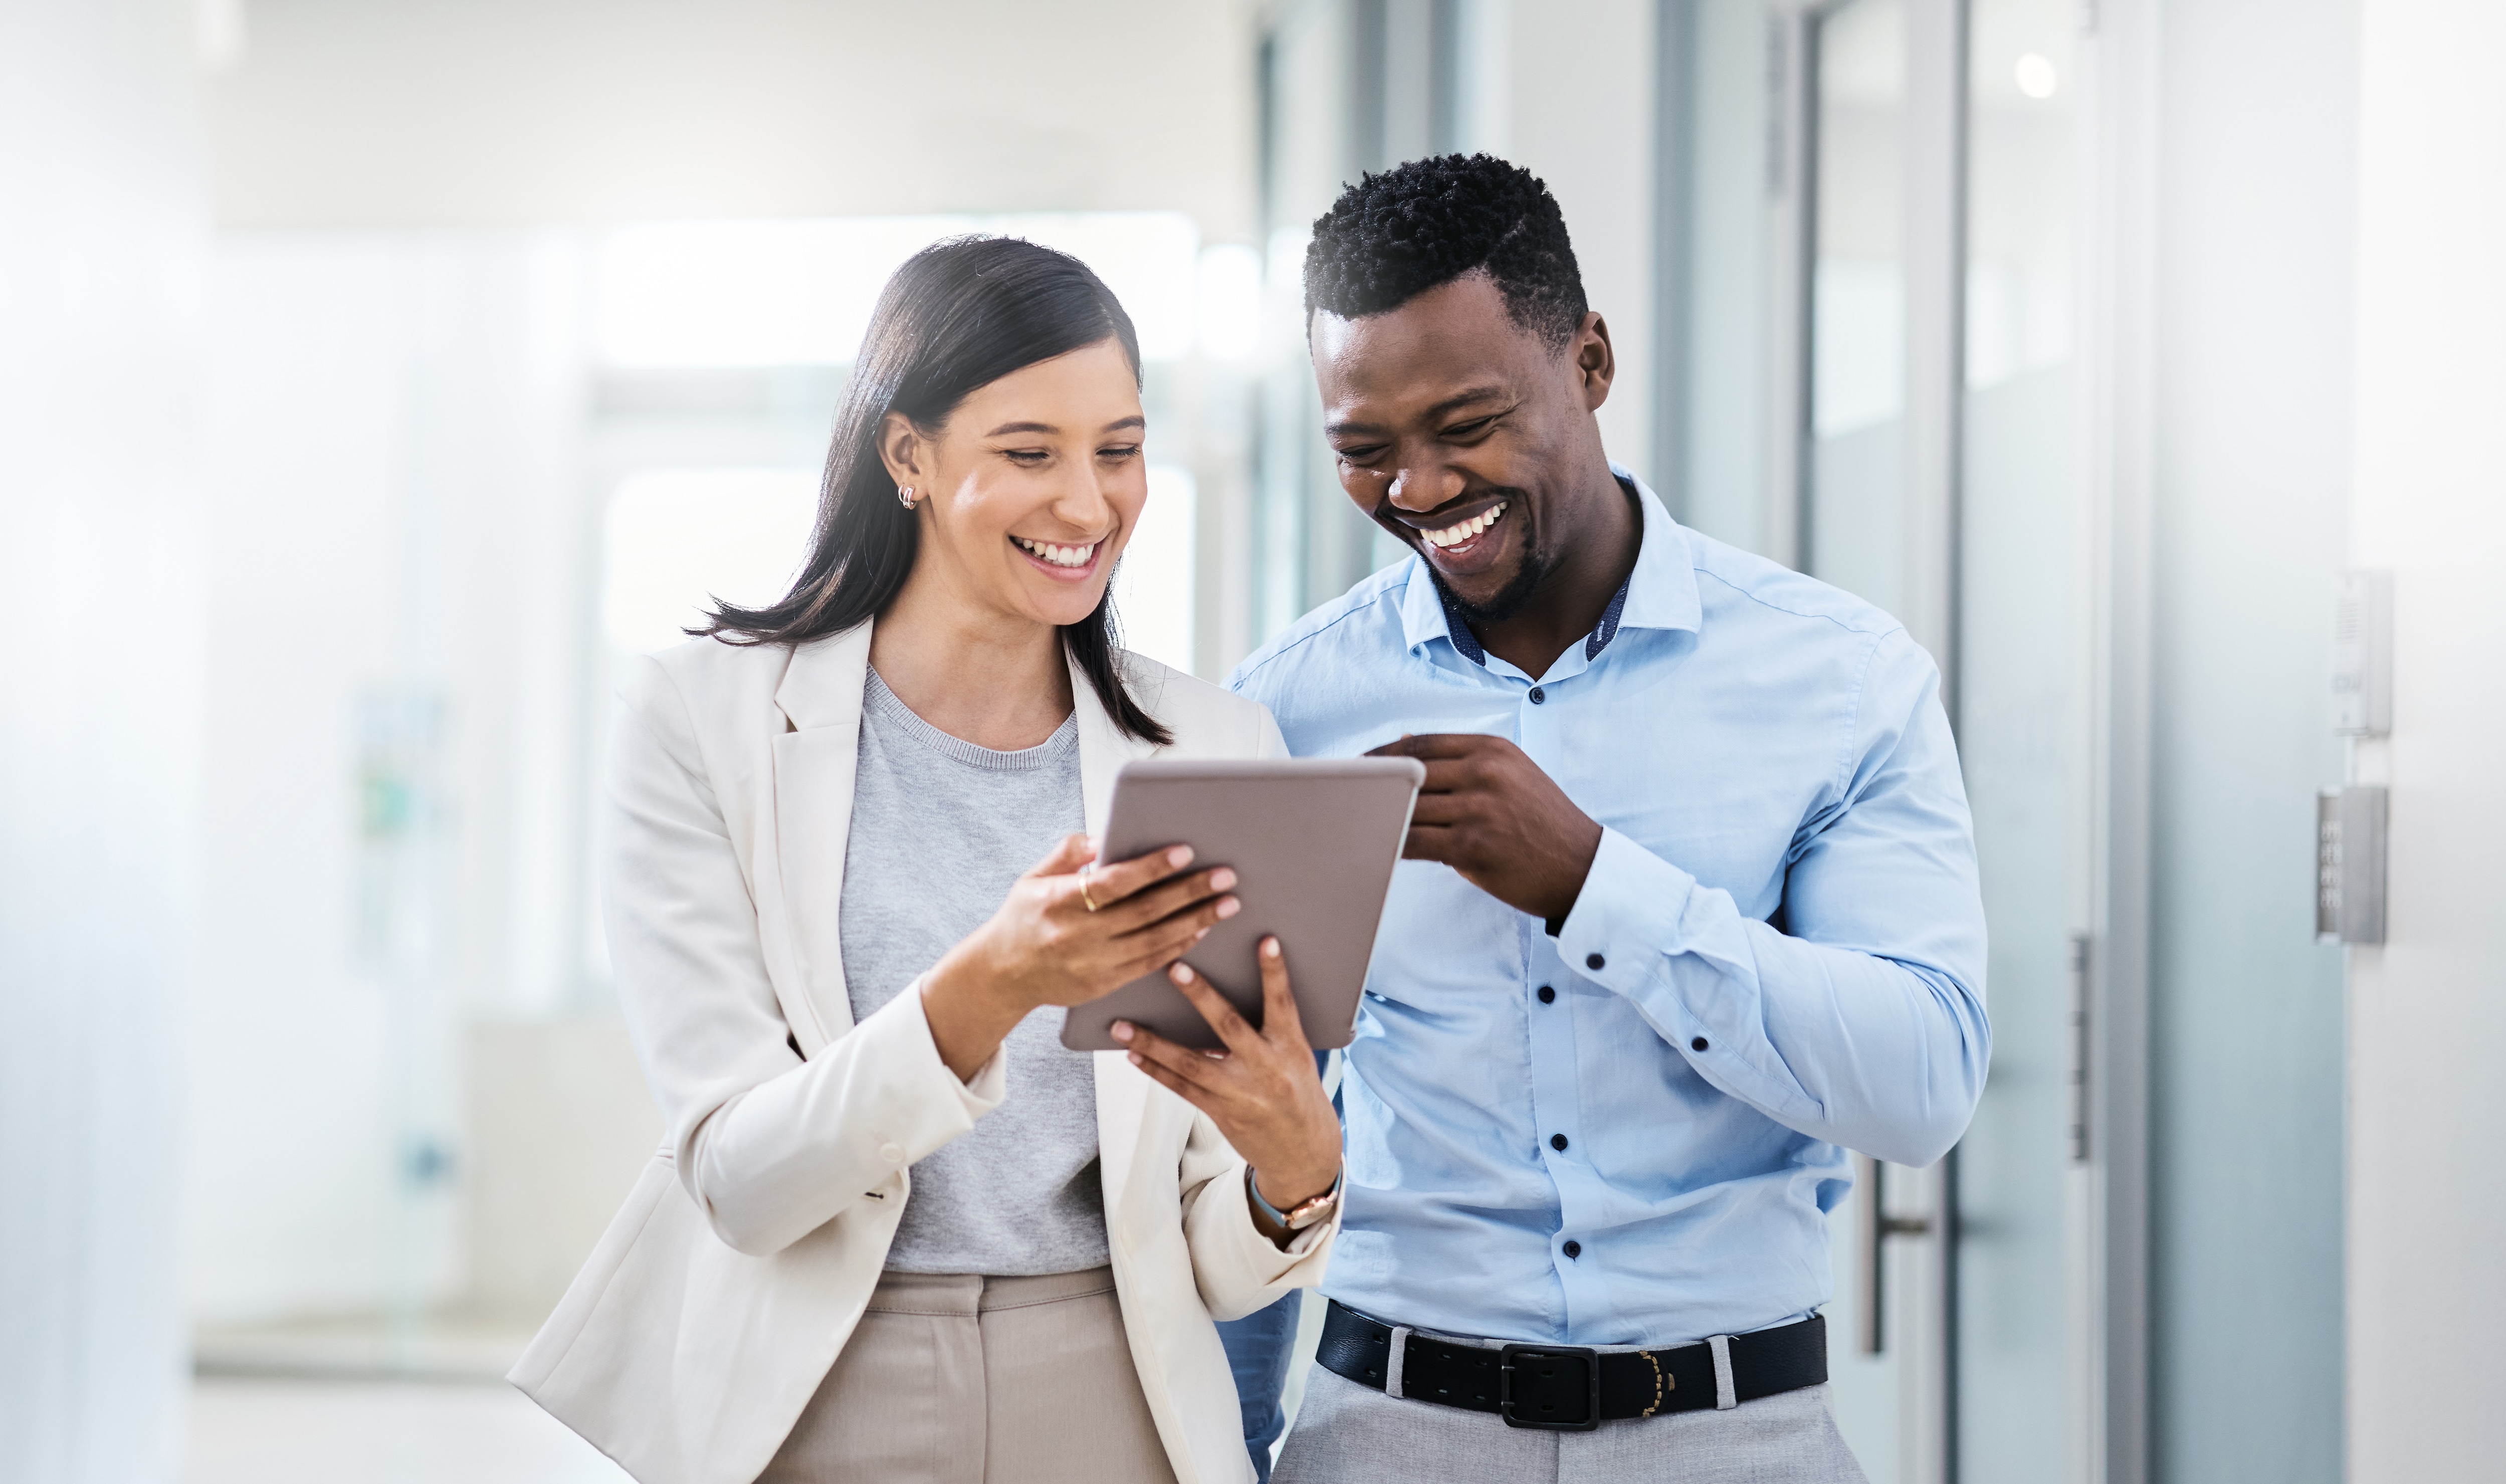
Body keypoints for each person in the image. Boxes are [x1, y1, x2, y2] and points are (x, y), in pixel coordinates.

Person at [510, 237, 1348, 1484]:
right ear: (907, 455)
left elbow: (1217, 1261)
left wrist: (1297, 1172)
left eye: (1118, 450)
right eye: (1029, 453)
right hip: (819, 1380)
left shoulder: (1216, 748)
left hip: (1115, 1385)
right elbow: (740, 1180)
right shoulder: (703, 720)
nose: (1087, 501)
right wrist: (990, 986)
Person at [1222, 155, 1990, 1482]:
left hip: (1740, 1436)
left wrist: (1591, 882)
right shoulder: (1282, 711)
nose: (1416, 488)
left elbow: (1923, 1083)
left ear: (1590, 360)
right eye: (1364, 451)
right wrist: (1226, 1453)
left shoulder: (1841, 677)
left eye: (1466, 423)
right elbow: (1232, 1114)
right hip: (1390, 1432)